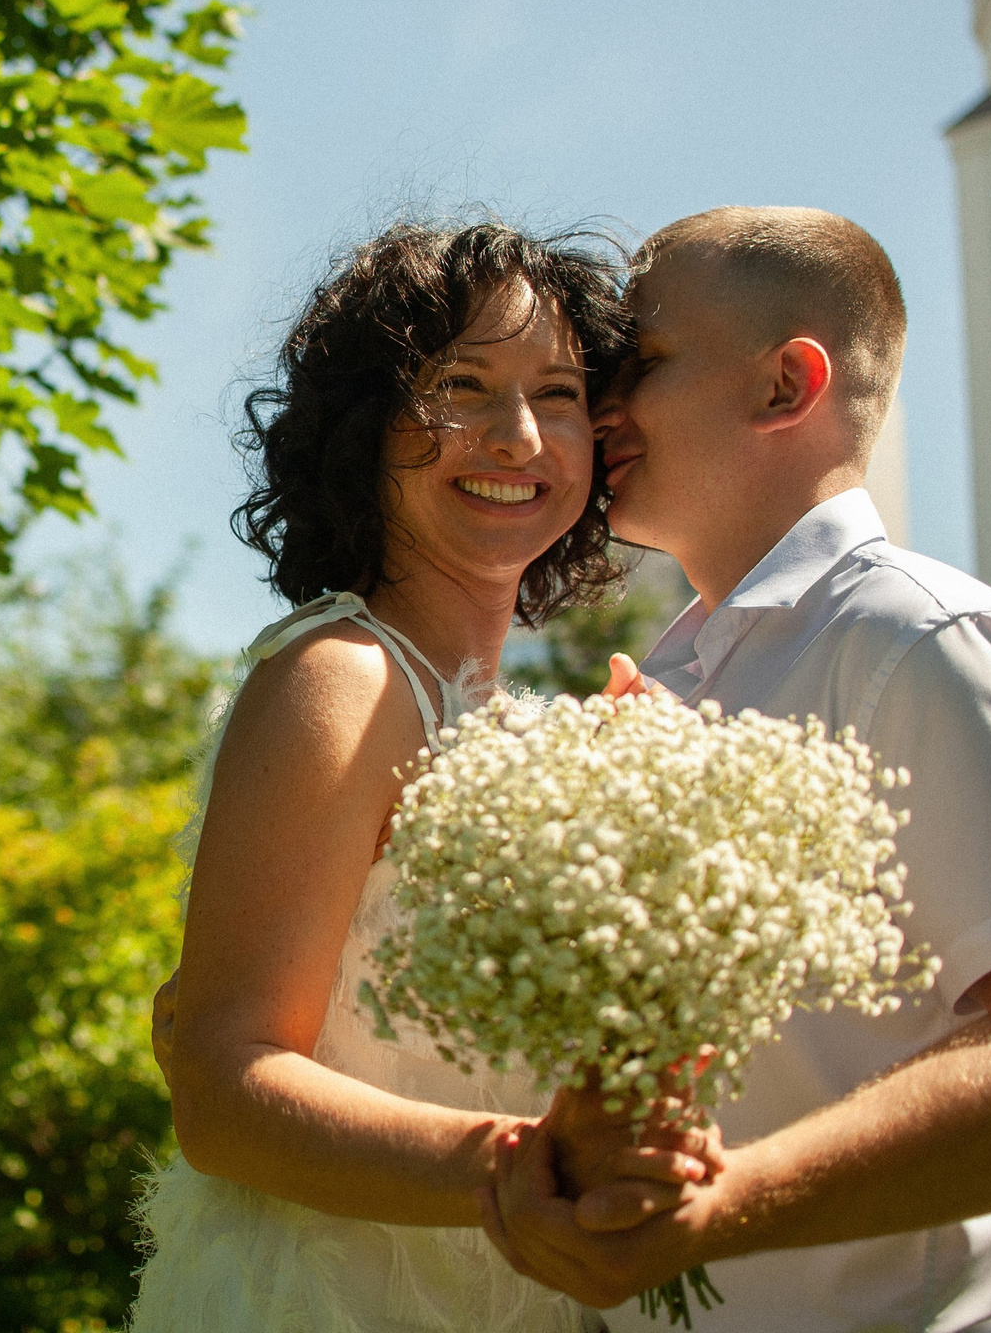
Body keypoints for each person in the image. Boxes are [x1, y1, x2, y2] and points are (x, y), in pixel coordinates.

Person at [478, 207, 991, 1330]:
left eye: (638, 364)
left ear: (784, 386)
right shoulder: (669, 682)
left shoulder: (926, 642)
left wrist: (732, 1209)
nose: (594, 408)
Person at [128, 219, 717, 1333]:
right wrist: (517, 1176)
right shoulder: (341, 677)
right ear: (367, 424)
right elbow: (222, 1086)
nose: (516, 437)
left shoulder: (519, 719)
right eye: (462, 385)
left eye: (555, 394)